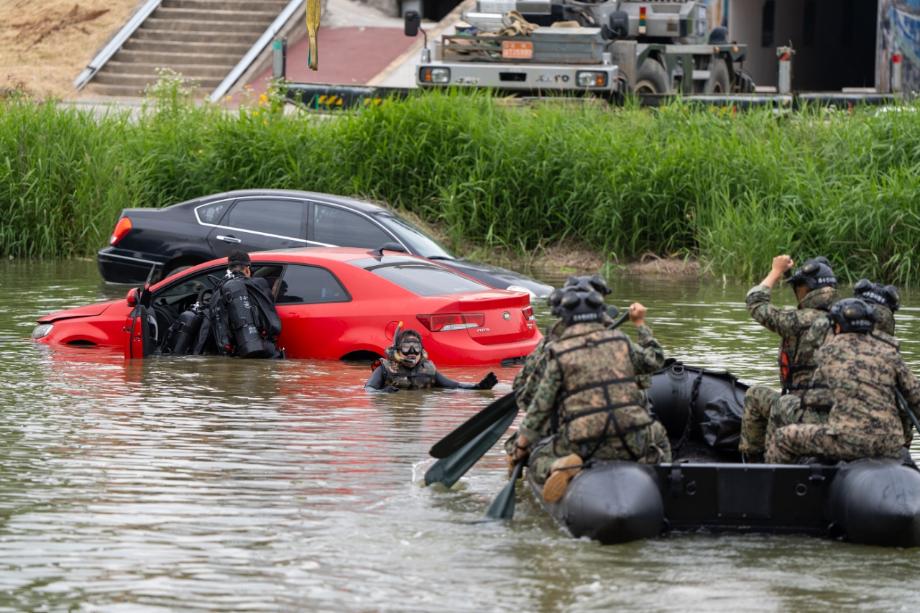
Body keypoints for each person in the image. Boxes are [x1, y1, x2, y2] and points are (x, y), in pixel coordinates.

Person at [508, 285, 670, 503]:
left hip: (585, 444)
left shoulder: (559, 352)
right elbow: (655, 359)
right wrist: (640, 325)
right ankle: (658, 480)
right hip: (632, 438)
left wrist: (520, 447)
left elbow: (538, 408)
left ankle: (561, 466)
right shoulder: (620, 341)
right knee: (660, 437)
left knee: (537, 457)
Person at [767, 298, 920, 464]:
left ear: (838, 326)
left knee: (783, 437)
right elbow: (915, 397)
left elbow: (814, 399)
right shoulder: (889, 351)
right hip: (891, 444)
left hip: (849, 442)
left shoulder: (829, 351)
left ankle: (773, 488)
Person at [739, 255, 839, 461]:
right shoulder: (844, 321)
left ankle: (759, 464)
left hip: (805, 411)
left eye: (799, 288)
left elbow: (755, 302)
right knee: (765, 397)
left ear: (806, 290)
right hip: (841, 413)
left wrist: (776, 271)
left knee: (767, 399)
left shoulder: (797, 320)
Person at [193, 250, 282, 358]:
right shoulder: (259, 284)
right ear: (247, 269)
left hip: (234, 352)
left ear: (229, 269)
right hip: (262, 348)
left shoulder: (219, 290)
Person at [365, 328, 498, 391]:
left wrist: (478, 387)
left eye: (416, 347)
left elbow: (454, 386)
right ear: (398, 349)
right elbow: (369, 389)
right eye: (406, 347)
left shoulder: (428, 370)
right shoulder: (384, 369)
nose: (412, 352)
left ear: (421, 350)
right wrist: (382, 393)